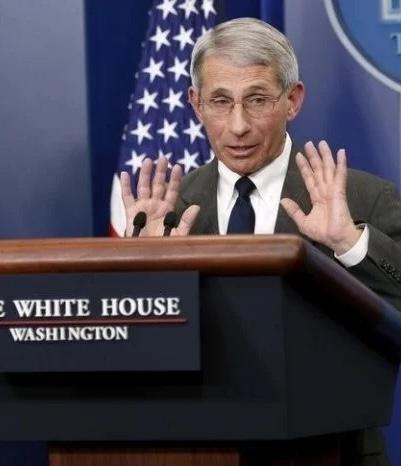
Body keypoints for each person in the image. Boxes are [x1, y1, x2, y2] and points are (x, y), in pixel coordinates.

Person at [120, 17, 401, 464]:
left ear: (293, 100)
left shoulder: (362, 200)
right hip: (196, 450)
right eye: (220, 101)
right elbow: (131, 349)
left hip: (330, 451)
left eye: (257, 100)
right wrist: (145, 269)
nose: (238, 126)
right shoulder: (165, 214)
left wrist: (350, 242)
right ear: (195, 104)